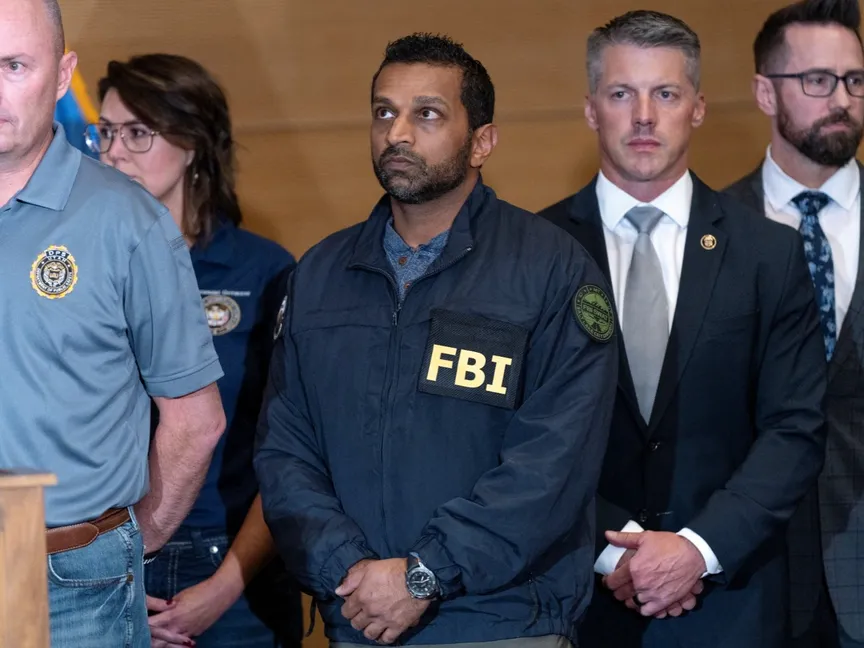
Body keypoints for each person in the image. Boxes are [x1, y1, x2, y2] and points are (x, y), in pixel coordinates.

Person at [254, 33, 618, 648]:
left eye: (426, 114)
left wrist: (426, 574)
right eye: (384, 112)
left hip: (502, 624)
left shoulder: (552, 270)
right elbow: (286, 449)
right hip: (359, 618)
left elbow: (553, 464)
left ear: (482, 141)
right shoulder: (319, 274)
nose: (397, 133)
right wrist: (348, 569)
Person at [538, 10, 828, 648]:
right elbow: (512, 434)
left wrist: (697, 549)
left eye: (665, 94)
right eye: (622, 93)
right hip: (577, 603)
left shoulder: (768, 255)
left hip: (731, 602)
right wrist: (616, 552)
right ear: (590, 109)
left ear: (697, 108)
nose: (644, 116)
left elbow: (794, 429)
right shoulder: (532, 252)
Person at [0, 1, 227, 646]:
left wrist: (123, 544)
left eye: (13, 66)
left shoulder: (127, 223)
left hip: (68, 574)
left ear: (61, 73)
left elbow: (197, 422)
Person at [92, 53, 303, 648]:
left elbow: (296, 450)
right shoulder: (79, 267)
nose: (114, 153)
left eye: (138, 133)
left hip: (230, 569)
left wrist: (224, 587)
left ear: (192, 145)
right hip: (103, 558)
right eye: (105, 133)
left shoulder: (264, 271)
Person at [724, 1, 864, 645]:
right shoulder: (708, 230)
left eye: (854, 80)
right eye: (817, 80)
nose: (842, 99)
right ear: (764, 92)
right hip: (751, 577)